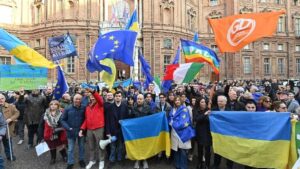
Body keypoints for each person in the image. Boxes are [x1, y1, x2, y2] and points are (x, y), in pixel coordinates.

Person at [79, 88, 105, 169]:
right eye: (91, 97)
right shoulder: (87, 107)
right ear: (89, 98)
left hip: (99, 128)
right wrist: (82, 129)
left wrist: (93, 92)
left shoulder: (100, 104)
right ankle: (92, 160)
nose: (92, 98)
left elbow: (99, 99)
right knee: (91, 146)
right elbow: (86, 119)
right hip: (90, 129)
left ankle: (101, 160)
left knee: (100, 145)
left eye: (94, 97)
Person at [60, 94, 86, 169]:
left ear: (81, 100)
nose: (77, 100)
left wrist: (83, 129)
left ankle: (81, 160)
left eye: (79, 99)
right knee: (70, 148)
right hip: (70, 131)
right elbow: (62, 119)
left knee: (81, 147)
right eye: (76, 99)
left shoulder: (84, 108)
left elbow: (86, 119)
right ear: (73, 99)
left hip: (81, 131)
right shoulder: (68, 108)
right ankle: (70, 162)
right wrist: (68, 128)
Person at [169, 96, 194, 169]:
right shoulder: (172, 109)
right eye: (176, 100)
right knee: (176, 150)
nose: (177, 101)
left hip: (183, 132)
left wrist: (175, 124)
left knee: (183, 150)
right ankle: (177, 165)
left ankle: (183, 166)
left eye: (178, 100)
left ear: (181, 101)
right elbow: (170, 119)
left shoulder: (185, 109)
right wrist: (173, 123)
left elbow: (185, 121)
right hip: (174, 132)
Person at [105, 91, 129, 167]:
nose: (118, 97)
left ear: (121, 97)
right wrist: (108, 132)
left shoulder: (125, 106)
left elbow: (127, 118)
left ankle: (119, 159)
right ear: (114, 97)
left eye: (119, 96)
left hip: (121, 130)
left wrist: (124, 122)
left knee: (120, 146)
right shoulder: (110, 107)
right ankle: (112, 160)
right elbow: (107, 120)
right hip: (112, 131)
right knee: (112, 146)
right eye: (116, 96)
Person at [43, 100, 67, 164]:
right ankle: (53, 158)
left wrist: (60, 128)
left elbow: (65, 122)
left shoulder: (62, 113)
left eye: (55, 104)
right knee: (52, 146)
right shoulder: (45, 113)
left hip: (59, 132)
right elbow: (41, 124)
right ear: (49, 106)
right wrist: (40, 135)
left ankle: (64, 156)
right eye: (51, 104)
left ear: (58, 105)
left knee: (60, 145)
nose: (53, 106)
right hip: (49, 133)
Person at [131, 94, 151, 169]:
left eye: (141, 99)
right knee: (137, 145)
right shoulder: (133, 108)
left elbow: (153, 118)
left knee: (145, 146)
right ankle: (138, 160)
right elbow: (130, 119)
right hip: (136, 131)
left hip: (145, 131)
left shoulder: (148, 108)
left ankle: (144, 160)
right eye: (138, 99)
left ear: (143, 100)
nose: (139, 100)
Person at [193, 97, 212, 169]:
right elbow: (196, 119)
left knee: (208, 150)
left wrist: (208, 114)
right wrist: (205, 114)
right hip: (199, 132)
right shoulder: (196, 110)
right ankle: (199, 163)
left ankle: (207, 164)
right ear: (199, 103)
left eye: (204, 102)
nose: (203, 103)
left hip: (207, 133)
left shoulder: (209, 110)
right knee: (199, 150)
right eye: (202, 102)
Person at [0, 93, 19, 161]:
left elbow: (17, 113)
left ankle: (9, 155)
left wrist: (11, 119)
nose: (1, 100)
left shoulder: (10, 106)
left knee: (8, 144)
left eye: (2, 98)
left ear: (5, 99)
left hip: (7, 128)